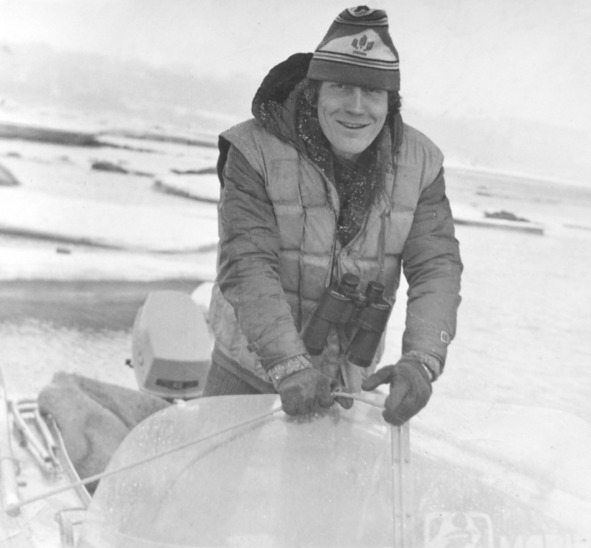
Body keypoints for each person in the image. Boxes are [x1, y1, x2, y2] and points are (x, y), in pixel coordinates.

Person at [204, 5, 463, 426]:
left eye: (373, 92)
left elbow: (437, 266)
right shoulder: (252, 151)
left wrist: (422, 360)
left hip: (344, 376)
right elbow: (247, 262)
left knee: (326, 470)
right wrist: (287, 362)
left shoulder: (422, 163)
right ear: (315, 91)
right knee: (214, 460)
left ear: (391, 102)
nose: (357, 107)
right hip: (247, 362)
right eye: (341, 86)